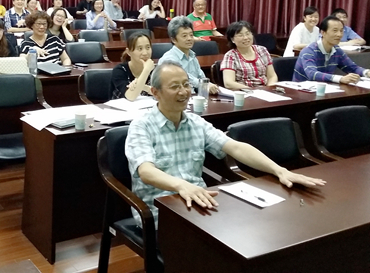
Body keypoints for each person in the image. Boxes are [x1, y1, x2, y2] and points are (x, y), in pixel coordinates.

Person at [125, 61, 325, 223]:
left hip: (200, 202)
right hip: (158, 209)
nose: (184, 92)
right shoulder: (141, 126)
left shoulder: (195, 122)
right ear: (155, 93)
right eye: (175, 87)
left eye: (186, 85)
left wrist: (280, 171)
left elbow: (236, 147)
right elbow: (146, 172)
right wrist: (181, 186)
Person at [293, 16, 370, 83]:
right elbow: (312, 74)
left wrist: (366, 72)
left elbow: (352, 68)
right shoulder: (309, 51)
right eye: (335, 30)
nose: (339, 34)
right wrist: (340, 79)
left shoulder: (337, 50)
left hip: (325, 89)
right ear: (323, 32)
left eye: (341, 31)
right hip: (301, 91)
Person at [159, 16, 219, 94]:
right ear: (174, 39)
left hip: (194, 96)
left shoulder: (192, 55)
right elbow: (183, 77)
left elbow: (201, 77)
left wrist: (209, 85)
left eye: (191, 35)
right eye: (184, 36)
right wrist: (203, 84)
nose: (189, 38)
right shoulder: (169, 59)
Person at [221, 20, 278, 89]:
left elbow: (272, 76)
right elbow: (229, 83)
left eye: (247, 34)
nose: (245, 38)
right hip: (244, 91)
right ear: (232, 40)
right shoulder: (230, 56)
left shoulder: (262, 50)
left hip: (265, 90)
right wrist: (251, 91)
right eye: (240, 35)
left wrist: (269, 89)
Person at [111, 32, 155, 100]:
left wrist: (144, 87)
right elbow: (131, 96)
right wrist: (146, 70)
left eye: (148, 47)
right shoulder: (120, 70)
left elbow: (163, 94)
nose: (145, 53)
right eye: (140, 49)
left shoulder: (156, 70)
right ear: (129, 52)